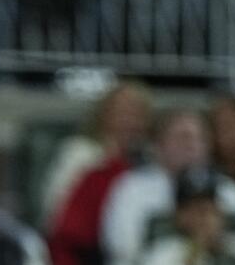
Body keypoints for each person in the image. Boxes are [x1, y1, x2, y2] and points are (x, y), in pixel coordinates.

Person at [100, 109, 235, 265]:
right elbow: (122, 246)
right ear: (159, 146)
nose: (190, 144)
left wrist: (217, 243)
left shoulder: (230, 193)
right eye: (182, 137)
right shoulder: (131, 187)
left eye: (198, 138)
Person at [39, 80, 152, 226]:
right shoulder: (79, 152)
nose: (129, 121)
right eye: (122, 112)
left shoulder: (150, 159)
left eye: (136, 114)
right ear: (104, 115)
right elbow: (54, 208)